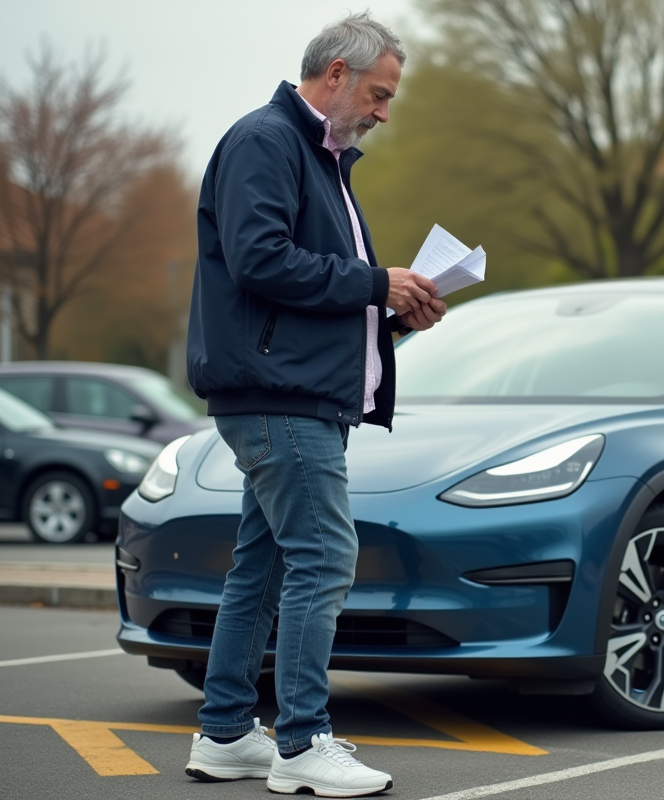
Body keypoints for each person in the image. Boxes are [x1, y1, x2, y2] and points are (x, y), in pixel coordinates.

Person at [182, 12, 444, 797]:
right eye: (379, 94)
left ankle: (226, 733)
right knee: (325, 558)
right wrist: (376, 282)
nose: (384, 112)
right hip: (279, 399)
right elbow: (260, 260)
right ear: (336, 74)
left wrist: (397, 312)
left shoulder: (321, 159)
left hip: (292, 393)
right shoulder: (266, 141)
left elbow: (315, 298)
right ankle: (301, 743)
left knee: (264, 569)